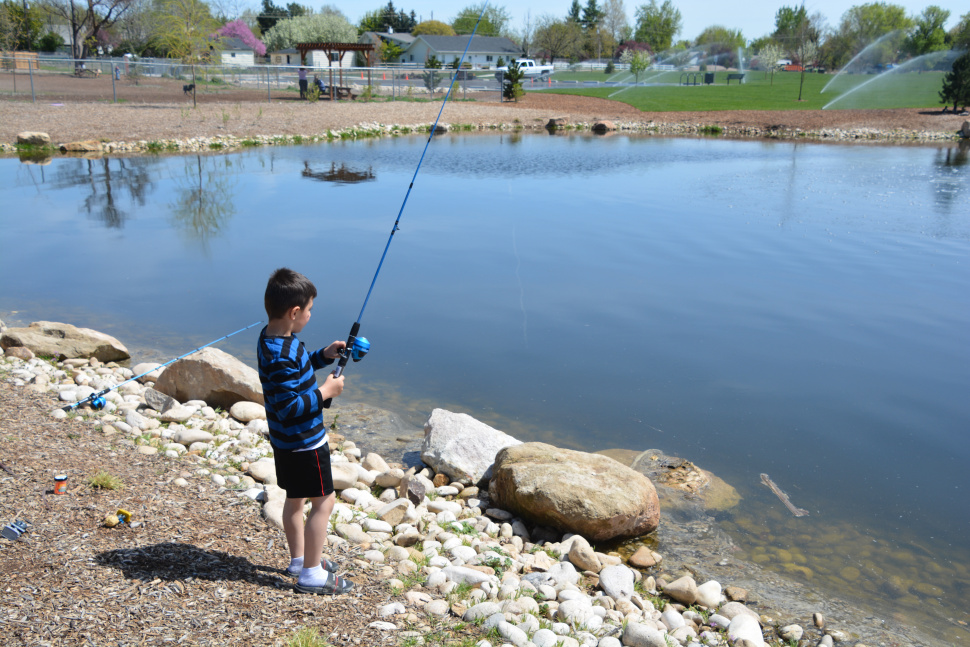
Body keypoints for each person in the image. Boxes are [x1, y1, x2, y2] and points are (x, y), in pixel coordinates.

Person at [256, 268, 354, 595]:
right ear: (294, 313)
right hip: (304, 443)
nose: (311, 314)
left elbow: (297, 369)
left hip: (286, 443)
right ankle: (311, 573)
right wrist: (326, 392)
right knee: (323, 503)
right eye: (309, 310)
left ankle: (299, 560)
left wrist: (323, 356)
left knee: (295, 500)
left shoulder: (273, 339)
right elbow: (290, 406)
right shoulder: (281, 352)